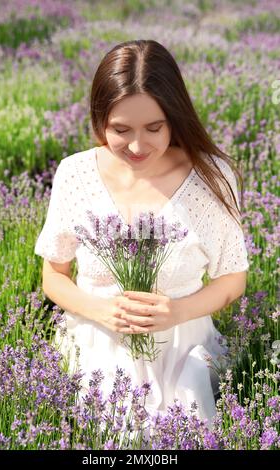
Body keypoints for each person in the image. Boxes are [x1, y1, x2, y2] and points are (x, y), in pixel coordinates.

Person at [34, 40, 249, 433]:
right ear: (99, 122)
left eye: (154, 128)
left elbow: (233, 278)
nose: (136, 146)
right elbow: (54, 275)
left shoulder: (211, 178)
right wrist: (100, 311)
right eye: (120, 129)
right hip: (97, 341)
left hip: (182, 343)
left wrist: (177, 311)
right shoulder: (75, 174)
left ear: (175, 117)